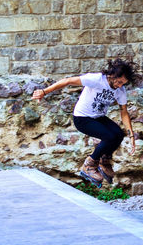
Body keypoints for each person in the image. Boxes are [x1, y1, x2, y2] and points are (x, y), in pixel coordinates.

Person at [32, 59, 136, 188]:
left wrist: (131, 136)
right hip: (82, 118)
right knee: (109, 137)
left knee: (118, 134)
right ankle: (89, 165)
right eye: (119, 82)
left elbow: (124, 112)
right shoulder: (96, 79)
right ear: (112, 75)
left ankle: (104, 161)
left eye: (123, 83)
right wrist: (44, 91)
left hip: (98, 117)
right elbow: (68, 81)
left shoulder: (120, 90)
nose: (120, 86)